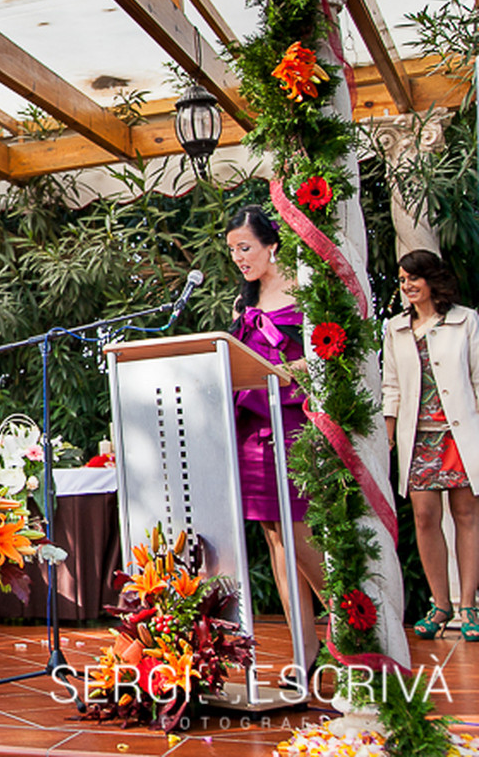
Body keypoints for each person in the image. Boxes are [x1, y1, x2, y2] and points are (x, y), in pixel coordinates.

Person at [225, 205, 325, 677]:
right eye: (232, 251)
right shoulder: (243, 304)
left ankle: (355, 632)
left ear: (272, 245)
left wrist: (280, 372)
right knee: (275, 542)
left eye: (245, 248)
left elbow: (324, 354)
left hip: (290, 426)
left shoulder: (305, 294)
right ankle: (304, 653)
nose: (239, 259)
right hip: (250, 431)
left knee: (300, 537)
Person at [382, 249, 479, 641]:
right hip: (418, 437)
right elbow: (391, 387)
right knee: (424, 517)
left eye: (413, 278)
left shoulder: (465, 320)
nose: (407, 286)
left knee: (467, 515)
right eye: (402, 280)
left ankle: (469, 604)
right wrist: (387, 433)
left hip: (460, 434)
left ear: (432, 279)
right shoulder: (395, 328)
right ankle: (440, 604)